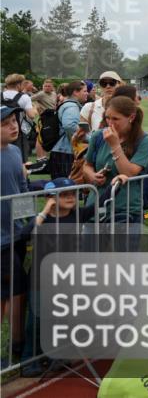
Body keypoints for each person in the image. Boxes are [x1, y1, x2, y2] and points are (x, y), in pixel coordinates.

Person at [79, 96, 148, 226]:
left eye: (115, 119)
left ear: (131, 117)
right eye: (107, 118)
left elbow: (129, 173)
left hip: (125, 209)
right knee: (90, 246)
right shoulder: (98, 136)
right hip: (96, 206)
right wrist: (92, 176)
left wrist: (115, 145)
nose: (110, 123)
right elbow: (87, 165)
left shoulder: (144, 141)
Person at [1, 106, 29, 365]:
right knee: (13, 289)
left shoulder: (16, 151)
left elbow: (21, 189)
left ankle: (17, 346)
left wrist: (29, 223)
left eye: (14, 121)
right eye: (6, 123)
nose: (13, 126)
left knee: (13, 290)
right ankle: (15, 347)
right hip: (1, 241)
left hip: (15, 235)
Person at [50, 80, 88, 180]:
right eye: (84, 91)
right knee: (66, 189)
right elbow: (69, 126)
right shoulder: (72, 106)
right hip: (65, 152)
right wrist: (82, 139)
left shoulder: (68, 105)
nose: (86, 93)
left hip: (61, 151)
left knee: (60, 190)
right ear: (75, 92)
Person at [79, 70, 123, 139]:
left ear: (119, 84)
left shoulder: (127, 108)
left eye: (112, 83)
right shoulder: (89, 107)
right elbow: (81, 136)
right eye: (103, 83)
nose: (108, 86)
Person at [3, 74, 37, 161]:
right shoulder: (24, 97)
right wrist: (35, 108)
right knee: (20, 162)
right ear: (18, 85)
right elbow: (32, 116)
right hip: (17, 133)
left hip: (1, 132)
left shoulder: (1, 95)